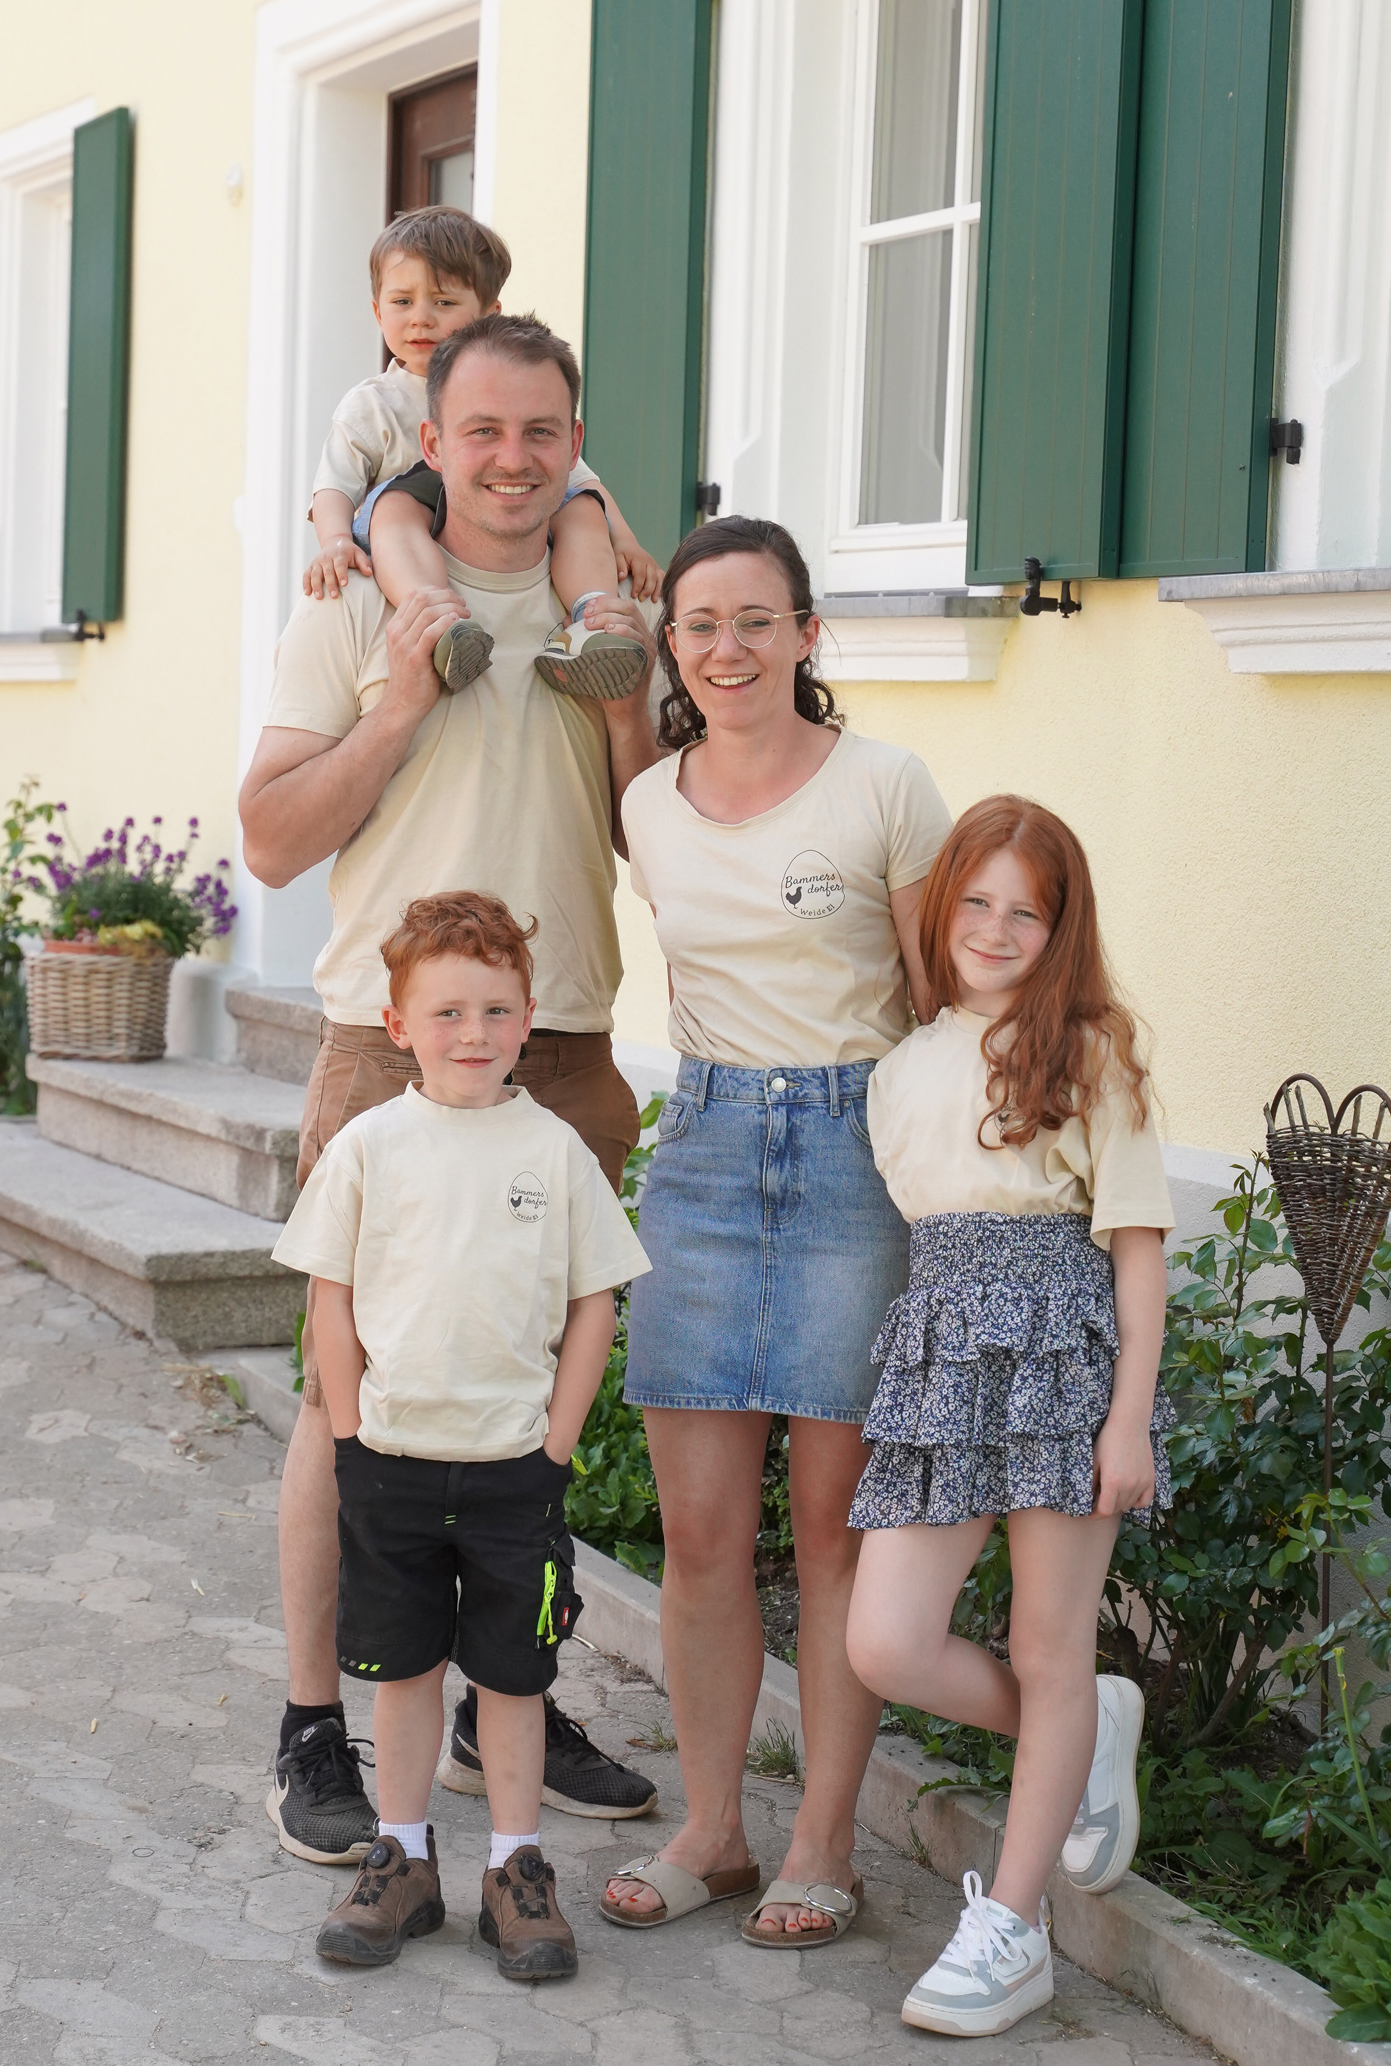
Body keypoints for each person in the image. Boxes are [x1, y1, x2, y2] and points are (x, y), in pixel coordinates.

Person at [239, 312, 662, 1867]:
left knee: (528, 1399)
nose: (511, 460)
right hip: (382, 1048)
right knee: (340, 1402)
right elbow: (273, 838)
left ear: (573, 446)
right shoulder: (358, 602)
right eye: (481, 432)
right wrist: (403, 702)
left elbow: (652, 838)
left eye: (541, 434)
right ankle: (313, 1725)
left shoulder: (609, 599)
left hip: (567, 1052)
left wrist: (623, 683)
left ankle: (506, 1697)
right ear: (430, 440)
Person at [600, 516, 952, 1946]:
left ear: (808, 634)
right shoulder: (649, 804)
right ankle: (711, 1829)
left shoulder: (885, 785)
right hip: (702, 1146)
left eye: (758, 620)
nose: (729, 649)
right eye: (701, 624)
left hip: (857, 1153)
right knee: (696, 1530)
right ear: (670, 643)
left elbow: (940, 1003)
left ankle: (823, 1841)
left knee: (828, 1527)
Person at [843, 796, 1175, 2039]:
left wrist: (1127, 1418)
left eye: (1022, 911)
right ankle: (1088, 1730)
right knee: (886, 1640)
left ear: (1059, 928)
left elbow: (1136, 1251)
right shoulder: (900, 1068)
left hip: (1065, 1356)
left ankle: (1013, 1932)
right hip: (942, 1352)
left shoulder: (1092, 1053)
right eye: (975, 902)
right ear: (942, 911)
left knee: (1050, 1646)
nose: (994, 926)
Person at [272, 891, 651, 1977]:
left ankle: (517, 1871)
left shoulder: (557, 1153)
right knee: (402, 1672)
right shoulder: (368, 1147)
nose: (473, 1034)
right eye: (446, 1014)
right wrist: (348, 1436)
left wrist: (559, 1445)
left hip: (511, 1476)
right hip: (388, 1466)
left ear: (529, 1016)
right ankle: (401, 1858)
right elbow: (330, 1301)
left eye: (495, 1010)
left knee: (515, 1679)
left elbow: (594, 1305)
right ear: (398, 1027)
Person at [304, 205, 661, 699]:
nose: (421, 319)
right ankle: (440, 624)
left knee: (580, 509)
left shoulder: (509, 392)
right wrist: (335, 541)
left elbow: (582, 479)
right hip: (416, 530)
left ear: (489, 314)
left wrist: (625, 540)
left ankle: (592, 621)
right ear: (377, 311)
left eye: (445, 302)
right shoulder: (372, 404)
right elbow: (334, 484)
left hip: (504, 523)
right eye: (402, 301)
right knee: (394, 507)